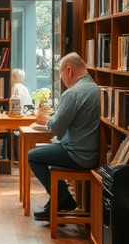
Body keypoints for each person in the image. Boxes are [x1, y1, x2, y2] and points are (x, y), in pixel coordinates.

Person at [28, 52, 100, 220]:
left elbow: (56, 128)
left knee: (33, 156)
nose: (61, 79)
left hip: (77, 154)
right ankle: (58, 200)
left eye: (60, 74)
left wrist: (47, 119)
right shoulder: (95, 88)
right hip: (93, 152)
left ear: (69, 70)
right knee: (44, 151)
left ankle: (63, 199)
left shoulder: (73, 93)